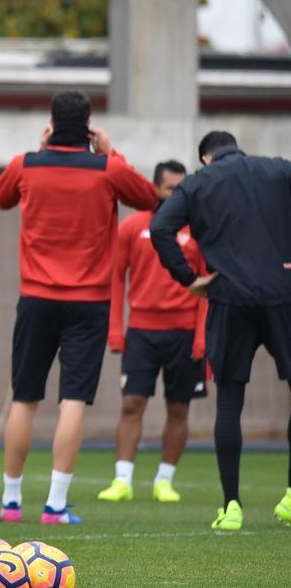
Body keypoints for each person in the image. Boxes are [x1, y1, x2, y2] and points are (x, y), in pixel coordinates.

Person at [0, 90, 157, 525]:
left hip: (36, 299)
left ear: (50, 121)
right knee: (73, 401)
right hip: (88, 303)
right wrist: (111, 149)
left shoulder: (26, 163)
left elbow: (0, 198)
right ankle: (55, 505)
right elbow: (150, 199)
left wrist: (40, 148)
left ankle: (11, 502)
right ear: (88, 125)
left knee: (24, 399)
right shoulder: (108, 169)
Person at [151, 130, 291, 532]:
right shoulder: (277, 170)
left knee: (230, 402)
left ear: (205, 158)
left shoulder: (197, 183)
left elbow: (161, 228)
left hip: (228, 297)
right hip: (283, 296)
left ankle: (231, 506)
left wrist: (188, 278)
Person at [98, 160, 207, 505]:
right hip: (142, 331)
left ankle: (164, 480)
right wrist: (116, 329)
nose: (177, 195)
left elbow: (209, 287)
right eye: (170, 189)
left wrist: (202, 336)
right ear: (156, 189)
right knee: (132, 403)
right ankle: (122, 480)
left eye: (182, 189)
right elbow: (115, 279)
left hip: (185, 333)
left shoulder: (199, 230)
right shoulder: (133, 227)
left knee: (179, 408)